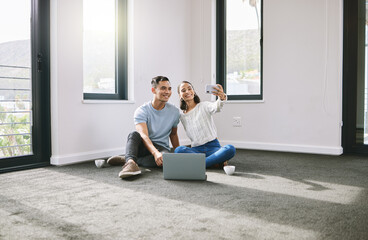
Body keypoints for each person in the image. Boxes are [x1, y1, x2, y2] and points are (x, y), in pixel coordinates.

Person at [109, 76, 180, 179]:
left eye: (169, 89)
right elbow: (144, 136)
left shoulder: (174, 112)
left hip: (162, 148)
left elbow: (173, 134)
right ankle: (130, 164)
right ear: (153, 90)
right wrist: (155, 153)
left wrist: (179, 154)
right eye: (163, 88)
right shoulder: (142, 110)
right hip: (144, 146)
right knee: (134, 134)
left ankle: (129, 158)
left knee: (166, 162)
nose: (167, 92)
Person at [174, 81, 236, 168]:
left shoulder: (204, 106)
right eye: (183, 90)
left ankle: (201, 164)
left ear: (194, 92)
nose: (187, 92)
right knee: (179, 150)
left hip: (213, 147)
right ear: (180, 95)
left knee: (230, 149)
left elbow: (217, 107)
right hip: (196, 150)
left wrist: (221, 98)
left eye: (189, 89)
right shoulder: (182, 116)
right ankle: (214, 161)